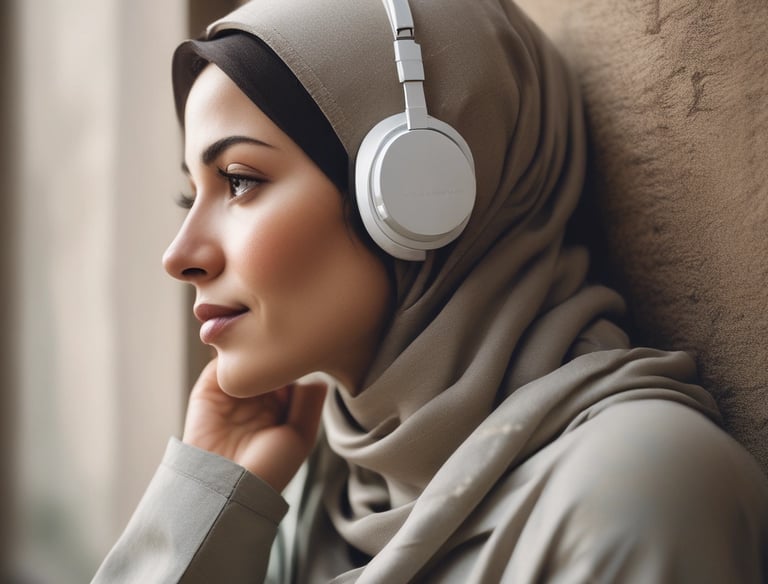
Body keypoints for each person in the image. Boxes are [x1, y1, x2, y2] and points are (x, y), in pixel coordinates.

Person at [93, 0, 768, 582]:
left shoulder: (641, 490)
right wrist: (203, 500)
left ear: (414, 191)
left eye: (240, 180)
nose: (178, 256)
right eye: (191, 193)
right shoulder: (314, 493)